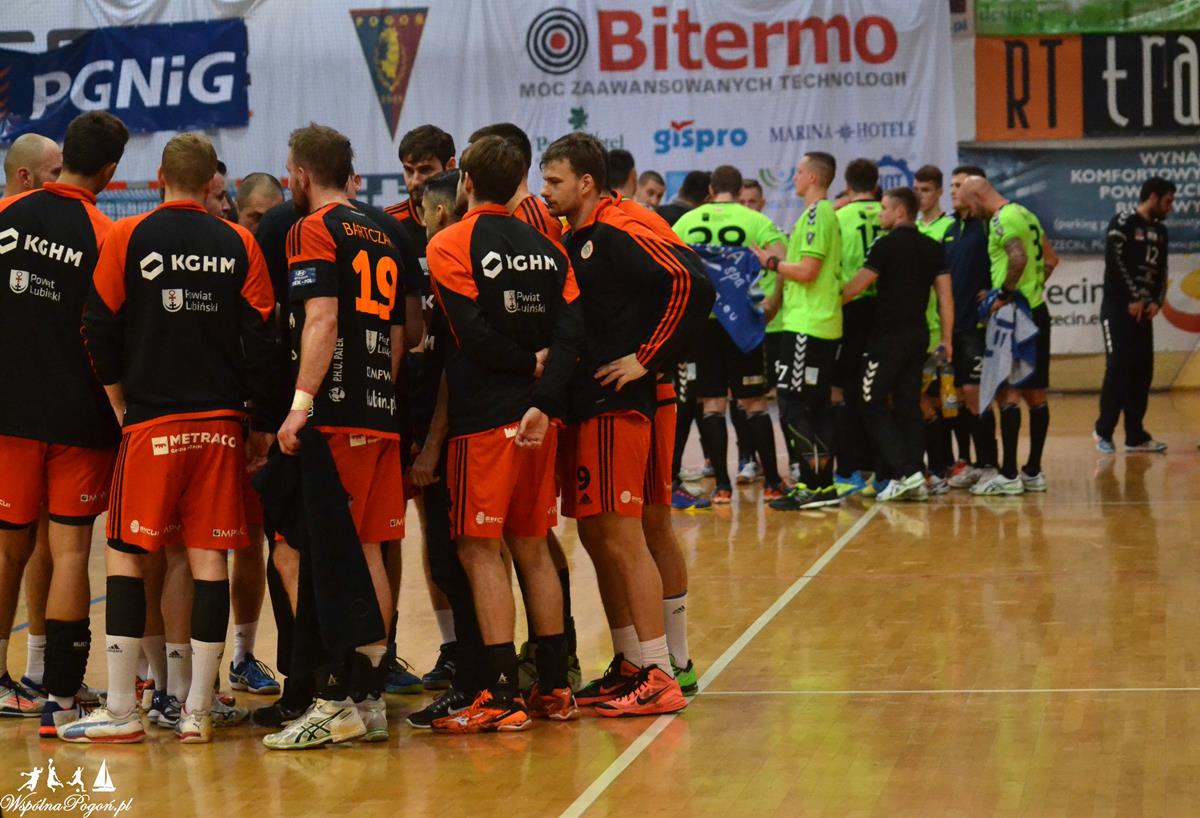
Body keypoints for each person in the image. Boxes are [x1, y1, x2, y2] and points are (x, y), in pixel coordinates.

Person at [67, 132, 281, 744]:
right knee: (210, 558)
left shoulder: (126, 235)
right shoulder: (238, 242)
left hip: (151, 422)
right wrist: (260, 423)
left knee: (128, 556)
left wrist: (119, 404)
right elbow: (264, 338)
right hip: (220, 427)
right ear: (213, 182)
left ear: (159, 174)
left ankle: (121, 710)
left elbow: (96, 326)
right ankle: (198, 711)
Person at [541, 132, 712, 715]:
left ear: (587, 182)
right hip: (592, 402)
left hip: (633, 399)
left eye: (555, 181)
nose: (546, 192)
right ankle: (634, 661)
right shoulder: (575, 234)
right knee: (599, 534)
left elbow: (692, 282)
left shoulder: (623, 223)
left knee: (639, 528)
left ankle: (667, 666)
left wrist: (648, 356)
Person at [424, 136, 581, 732]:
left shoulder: (448, 243)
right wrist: (544, 394)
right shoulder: (549, 247)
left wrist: (524, 367)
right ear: (520, 183)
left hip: (484, 421)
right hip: (540, 421)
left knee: (478, 550)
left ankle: (498, 695)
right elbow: (571, 334)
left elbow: (472, 333)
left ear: (465, 181)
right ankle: (555, 689)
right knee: (533, 547)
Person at [262, 123, 406, 750]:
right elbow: (401, 331)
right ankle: (368, 698)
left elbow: (320, 318)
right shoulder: (384, 229)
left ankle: (333, 699)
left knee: (308, 555)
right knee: (368, 551)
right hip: (379, 411)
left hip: (335, 415)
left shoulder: (311, 228)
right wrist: (378, 393)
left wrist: (300, 405)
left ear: (300, 173)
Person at [0, 112, 127, 730]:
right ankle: (61, 698)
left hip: (10, 413)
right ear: (109, 170)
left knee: (9, 548)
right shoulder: (109, 235)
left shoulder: (5, 216)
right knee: (72, 549)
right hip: (81, 417)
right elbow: (117, 332)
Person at [672, 164, 788, 503]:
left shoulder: (688, 221)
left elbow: (669, 263)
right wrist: (773, 302)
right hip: (743, 322)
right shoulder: (756, 220)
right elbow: (783, 260)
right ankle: (772, 483)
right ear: (739, 192)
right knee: (754, 402)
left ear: (710, 190)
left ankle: (722, 487)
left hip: (704, 323)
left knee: (712, 404)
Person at [842, 187, 953, 501]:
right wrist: (946, 339)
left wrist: (827, 298)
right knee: (907, 403)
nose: (880, 214)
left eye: (884, 208)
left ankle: (906, 472)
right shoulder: (933, 247)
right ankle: (914, 475)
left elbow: (857, 286)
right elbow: (946, 298)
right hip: (918, 335)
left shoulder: (885, 244)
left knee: (870, 401)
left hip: (888, 336)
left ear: (900, 212)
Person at [753, 152, 842, 511]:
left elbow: (807, 270)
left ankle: (811, 483)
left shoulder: (818, 214)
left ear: (814, 177)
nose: (795, 177)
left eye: (800, 171)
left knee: (793, 402)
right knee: (815, 404)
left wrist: (771, 262)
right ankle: (823, 485)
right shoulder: (819, 214)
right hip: (816, 323)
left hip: (809, 324)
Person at [960, 176, 1059, 496]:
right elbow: (1051, 260)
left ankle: (1009, 474)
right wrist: (1030, 290)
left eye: (969, 205)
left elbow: (1018, 258)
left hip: (1013, 316)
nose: (970, 212)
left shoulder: (1001, 219)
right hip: (1036, 311)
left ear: (978, 197)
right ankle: (1033, 471)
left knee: (1008, 393)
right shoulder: (1027, 214)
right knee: (1035, 393)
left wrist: (1003, 294)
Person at [1094, 177, 1175, 454]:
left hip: (1143, 312)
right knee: (1118, 367)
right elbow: (1114, 260)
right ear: (1153, 197)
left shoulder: (1161, 231)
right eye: (1167, 201)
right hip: (1118, 308)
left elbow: (1163, 269)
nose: (1171, 207)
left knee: (1142, 371)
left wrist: (1156, 301)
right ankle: (1103, 432)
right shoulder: (1124, 221)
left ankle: (1135, 436)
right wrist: (1133, 297)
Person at [943, 166, 1000, 490]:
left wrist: (995, 292)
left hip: (978, 326)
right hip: (953, 327)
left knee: (976, 393)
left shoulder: (989, 226)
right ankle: (970, 462)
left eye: (960, 185)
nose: (954, 190)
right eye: (951, 185)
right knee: (959, 397)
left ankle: (990, 464)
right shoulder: (950, 229)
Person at [828, 159, 881, 499]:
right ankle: (880, 465)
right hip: (885, 310)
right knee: (877, 388)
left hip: (848, 307)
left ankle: (848, 467)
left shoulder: (838, 217)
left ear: (847, 187)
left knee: (840, 390)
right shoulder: (890, 213)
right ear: (876, 186)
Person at [913, 165, 961, 493]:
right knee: (920, 401)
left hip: (939, 332)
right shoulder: (912, 229)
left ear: (940, 192)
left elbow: (948, 287)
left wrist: (947, 333)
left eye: (927, 190)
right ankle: (932, 466)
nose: (921, 196)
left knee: (946, 402)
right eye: (917, 190)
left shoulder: (949, 228)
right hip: (918, 329)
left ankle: (947, 463)